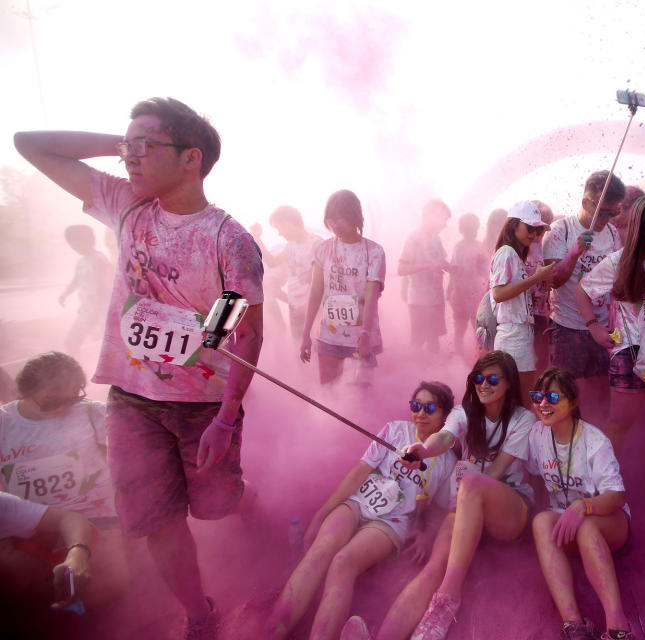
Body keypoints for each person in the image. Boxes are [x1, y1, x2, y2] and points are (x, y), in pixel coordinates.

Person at [14, 97, 264, 639]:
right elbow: (28, 145)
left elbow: (243, 332)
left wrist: (225, 419)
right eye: (129, 146)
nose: (131, 157)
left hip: (201, 407)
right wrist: (117, 146)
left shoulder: (230, 241)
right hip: (130, 401)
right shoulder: (123, 202)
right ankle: (200, 614)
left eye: (145, 145)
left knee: (216, 506)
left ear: (191, 158)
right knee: (159, 522)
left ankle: (247, 502)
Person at [341, 351, 535, 640]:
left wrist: (464, 499)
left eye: (492, 379)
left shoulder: (523, 419)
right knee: (435, 566)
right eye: (478, 378)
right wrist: (424, 450)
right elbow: (445, 437)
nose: (484, 384)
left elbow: (495, 472)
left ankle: (447, 599)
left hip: (509, 508)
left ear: (509, 384)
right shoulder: (464, 412)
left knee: (471, 484)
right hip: (467, 504)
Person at [267, 382, 458, 640]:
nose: (420, 413)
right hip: (358, 503)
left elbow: (440, 509)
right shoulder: (393, 430)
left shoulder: (449, 462)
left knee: (342, 562)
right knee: (321, 550)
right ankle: (272, 631)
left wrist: (426, 533)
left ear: (445, 415)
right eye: (415, 406)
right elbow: (359, 472)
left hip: (393, 522)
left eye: (429, 408)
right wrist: (323, 513)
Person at [577, 195, 645, 470]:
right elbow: (583, 290)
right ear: (638, 231)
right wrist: (594, 327)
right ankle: (607, 480)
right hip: (630, 353)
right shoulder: (618, 262)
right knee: (619, 424)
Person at [527, 368, 634, 640]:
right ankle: (574, 626)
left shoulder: (594, 440)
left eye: (552, 396)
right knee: (540, 521)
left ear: (573, 402)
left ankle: (618, 628)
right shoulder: (537, 435)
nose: (543, 404)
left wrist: (582, 506)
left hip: (608, 524)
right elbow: (535, 477)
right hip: (566, 527)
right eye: (537, 396)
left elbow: (617, 496)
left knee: (586, 527)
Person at [542, 171, 626, 423]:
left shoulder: (612, 234)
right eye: (603, 211)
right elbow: (554, 280)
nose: (608, 218)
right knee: (564, 392)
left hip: (602, 328)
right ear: (586, 203)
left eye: (614, 212)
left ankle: (596, 436)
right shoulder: (560, 231)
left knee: (602, 392)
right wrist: (575, 252)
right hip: (567, 326)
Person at [0, 352, 115, 523]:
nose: (61, 407)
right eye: (51, 400)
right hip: (36, 530)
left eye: (71, 400)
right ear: (26, 390)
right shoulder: (4, 423)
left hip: (101, 520)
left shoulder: (92, 413)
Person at [299, 190, 385, 385]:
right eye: (331, 220)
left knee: (363, 395)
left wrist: (366, 334)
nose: (335, 225)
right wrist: (305, 334)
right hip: (329, 335)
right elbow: (315, 292)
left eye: (341, 219)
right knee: (328, 393)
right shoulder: (323, 249)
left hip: (361, 336)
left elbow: (372, 297)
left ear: (355, 217)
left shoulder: (374, 252)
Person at [490, 201, 554, 404]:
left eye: (538, 230)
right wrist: (536, 278)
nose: (535, 235)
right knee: (523, 401)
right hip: (513, 335)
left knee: (518, 399)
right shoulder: (507, 252)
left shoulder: (514, 254)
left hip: (518, 333)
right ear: (514, 225)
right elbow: (498, 294)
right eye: (530, 228)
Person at [252, 205, 322, 341]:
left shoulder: (316, 244)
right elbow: (272, 261)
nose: (279, 233)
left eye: (279, 227)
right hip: (295, 308)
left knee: (316, 348)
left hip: (314, 310)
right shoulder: (290, 246)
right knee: (299, 352)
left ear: (288, 223)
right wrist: (256, 237)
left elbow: (322, 281)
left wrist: (309, 305)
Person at [399, 199, 451, 352]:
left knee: (434, 340)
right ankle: (415, 373)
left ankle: (433, 374)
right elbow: (401, 269)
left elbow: (442, 261)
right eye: (443, 219)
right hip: (419, 300)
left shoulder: (436, 238)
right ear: (431, 216)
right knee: (418, 342)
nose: (445, 224)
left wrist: (456, 269)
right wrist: (428, 266)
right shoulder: (414, 238)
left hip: (435, 299)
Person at [58, 224, 112, 350]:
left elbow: (108, 285)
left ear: (89, 240)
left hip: (100, 310)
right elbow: (75, 280)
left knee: (101, 344)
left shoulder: (99, 259)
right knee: (72, 342)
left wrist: (101, 308)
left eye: (77, 242)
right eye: (71, 244)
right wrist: (65, 294)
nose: (74, 247)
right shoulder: (81, 261)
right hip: (86, 309)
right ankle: (75, 368)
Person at [447, 213, 487, 359]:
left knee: (477, 328)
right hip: (460, 293)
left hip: (475, 293)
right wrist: (450, 289)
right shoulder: (458, 247)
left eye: (474, 228)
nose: (472, 231)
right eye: (469, 228)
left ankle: (480, 358)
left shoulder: (480, 247)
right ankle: (458, 358)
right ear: (463, 230)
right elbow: (453, 270)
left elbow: (486, 271)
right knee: (460, 328)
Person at [528, 200, 555, 375]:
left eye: (545, 229)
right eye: (538, 228)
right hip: (523, 315)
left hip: (540, 312)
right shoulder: (513, 249)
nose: (540, 234)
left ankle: (534, 397)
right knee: (528, 361)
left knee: (541, 360)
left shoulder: (540, 246)